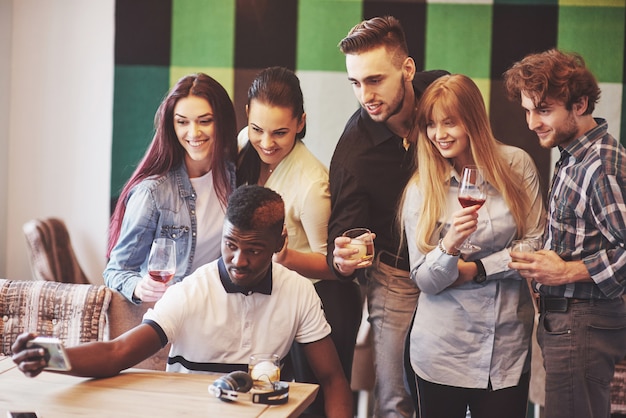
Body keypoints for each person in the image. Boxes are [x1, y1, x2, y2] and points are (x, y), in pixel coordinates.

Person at [12, 185, 353, 418]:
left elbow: (333, 379)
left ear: (280, 242)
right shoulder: (191, 291)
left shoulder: (299, 292)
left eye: (254, 250)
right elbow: (117, 353)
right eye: (230, 244)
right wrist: (50, 357)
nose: (238, 260)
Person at [400, 74, 545, 418]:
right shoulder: (422, 188)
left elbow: (536, 242)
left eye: (449, 122)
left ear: (474, 120)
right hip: (442, 352)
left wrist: (478, 269)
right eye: (431, 125)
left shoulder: (517, 165)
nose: (439, 134)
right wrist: (448, 248)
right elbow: (424, 280)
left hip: (507, 349)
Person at [328, 15, 448, 417]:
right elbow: (342, 241)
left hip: (459, 270)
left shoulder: (442, 93)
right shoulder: (353, 155)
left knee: (455, 392)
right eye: (356, 83)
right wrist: (343, 258)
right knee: (395, 400)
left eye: (375, 79)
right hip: (397, 278)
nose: (366, 95)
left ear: (408, 69)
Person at [503, 49, 626, 418]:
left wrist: (565, 272)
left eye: (542, 110)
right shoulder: (573, 155)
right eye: (527, 110)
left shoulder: (600, 164)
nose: (532, 123)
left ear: (580, 104)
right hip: (567, 322)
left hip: (583, 324)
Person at [237, 66, 362, 416]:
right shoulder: (244, 145)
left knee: (313, 404)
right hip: (278, 298)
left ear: (301, 122)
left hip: (326, 300)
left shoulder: (313, 185)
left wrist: (286, 256)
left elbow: (336, 267)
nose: (266, 142)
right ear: (247, 114)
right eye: (257, 128)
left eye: (280, 132)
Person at [104, 73, 238, 304]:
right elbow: (115, 271)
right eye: (182, 122)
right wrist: (139, 286)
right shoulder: (153, 193)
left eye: (204, 121)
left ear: (222, 122)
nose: (193, 133)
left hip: (217, 310)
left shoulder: (235, 178)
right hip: (169, 315)